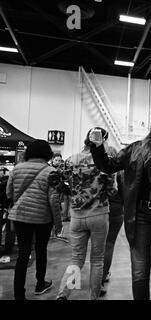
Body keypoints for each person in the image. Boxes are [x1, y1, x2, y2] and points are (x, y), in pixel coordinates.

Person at [89, 105, 151, 300]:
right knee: (140, 271)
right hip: (139, 216)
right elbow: (108, 166)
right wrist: (98, 147)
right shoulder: (137, 148)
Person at [56, 127, 117, 300]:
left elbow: (56, 179)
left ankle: (63, 294)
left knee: (76, 259)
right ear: (103, 140)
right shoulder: (105, 163)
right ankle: (93, 297)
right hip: (99, 214)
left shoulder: (71, 160)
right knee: (97, 260)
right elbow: (113, 191)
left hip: (76, 216)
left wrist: (73, 194)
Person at [6, 140, 63, 300]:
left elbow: (9, 194)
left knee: (23, 253)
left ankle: (19, 294)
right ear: (47, 153)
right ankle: (40, 284)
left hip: (20, 216)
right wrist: (58, 224)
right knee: (40, 249)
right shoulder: (51, 171)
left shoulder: (16, 169)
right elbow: (54, 200)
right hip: (42, 219)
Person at [100, 169, 124, 296]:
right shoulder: (120, 173)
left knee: (97, 246)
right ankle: (102, 278)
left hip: (98, 209)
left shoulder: (96, 170)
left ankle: (97, 279)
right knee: (109, 244)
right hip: (116, 209)